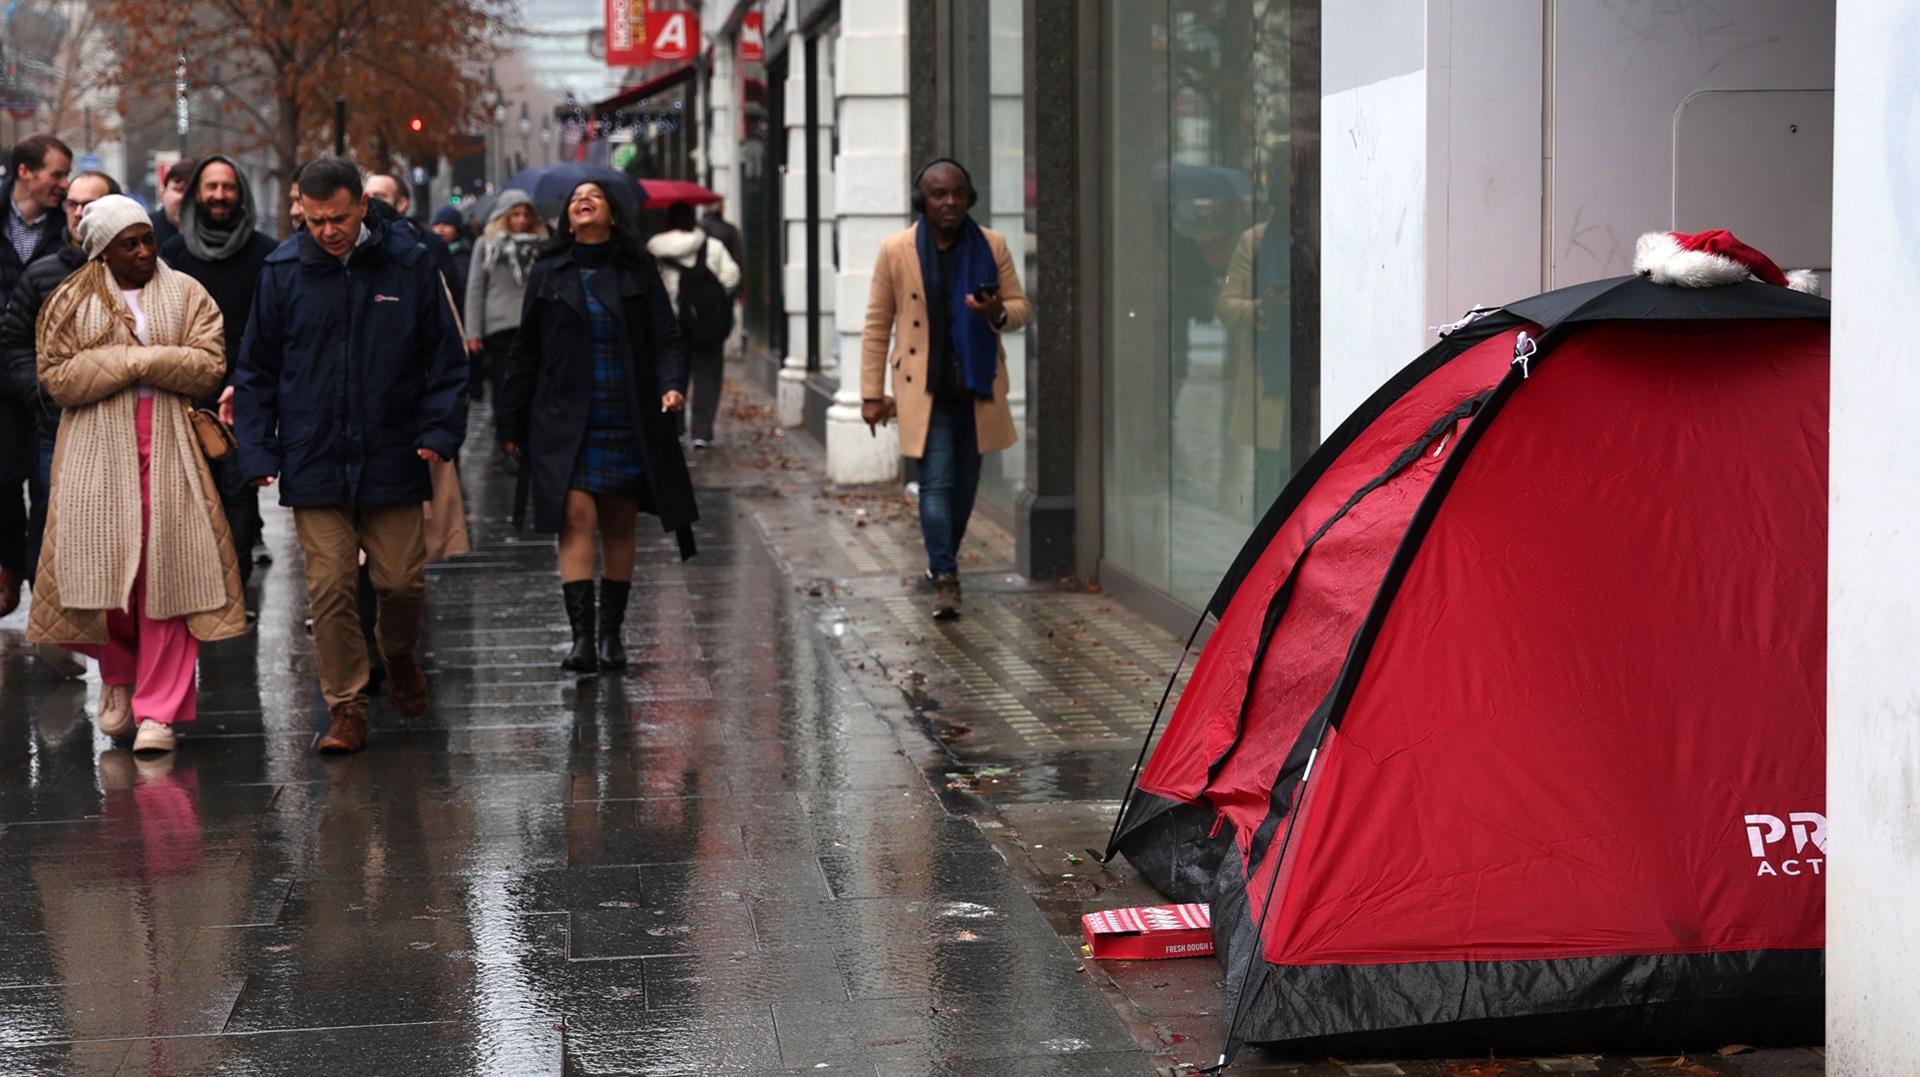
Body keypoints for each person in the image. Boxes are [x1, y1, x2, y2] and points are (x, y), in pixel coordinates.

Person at [233, 157, 467, 754]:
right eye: (314, 221)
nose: (328, 231)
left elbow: (446, 357)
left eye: (337, 218)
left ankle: (398, 650)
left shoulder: (408, 263)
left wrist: (440, 430)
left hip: (392, 449)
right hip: (313, 456)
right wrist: (258, 449)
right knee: (331, 588)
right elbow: (257, 371)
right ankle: (347, 707)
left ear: (362, 205)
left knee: (402, 582)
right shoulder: (283, 271)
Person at [27, 194, 245, 753]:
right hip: (96, 453)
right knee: (108, 574)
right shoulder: (69, 301)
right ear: (103, 251)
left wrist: (138, 361)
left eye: (148, 237)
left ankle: (159, 712)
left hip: (171, 446)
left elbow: (208, 365)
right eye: (131, 243)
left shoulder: (187, 291)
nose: (146, 250)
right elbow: (58, 378)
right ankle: (119, 677)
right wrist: (139, 360)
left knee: (168, 574)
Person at [497, 180, 697, 674]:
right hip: (564, 418)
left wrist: (672, 386)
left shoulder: (637, 269)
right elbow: (525, 351)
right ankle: (582, 639)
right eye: (574, 198)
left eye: (594, 196)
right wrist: (511, 419)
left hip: (626, 413)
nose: (581, 200)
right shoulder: (548, 272)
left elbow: (667, 339)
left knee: (620, 522)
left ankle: (612, 636)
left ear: (612, 214)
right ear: (568, 217)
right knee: (574, 518)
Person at [859, 158, 1028, 620]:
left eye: (957, 193)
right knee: (936, 481)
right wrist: (871, 393)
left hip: (977, 385)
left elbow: (1019, 308)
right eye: (938, 194)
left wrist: (995, 312)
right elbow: (877, 324)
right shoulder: (897, 250)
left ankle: (941, 563)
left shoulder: (991, 244)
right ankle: (946, 573)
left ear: (969, 197)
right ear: (923, 201)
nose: (949, 201)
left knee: (966, 486)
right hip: (923, 388)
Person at [2, 169, 119, 659]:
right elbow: (13, 342)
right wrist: (42, 392)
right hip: (56, 425)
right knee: (54, 523)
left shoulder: (140, 270)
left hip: (120, 425)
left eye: (90, 204)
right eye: (72, 203)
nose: (78, 213)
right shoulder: (44, 272)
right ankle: (57, 630)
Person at [160, 155, 278, 589]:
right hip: (185, 393)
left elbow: (271, 327)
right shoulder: (171, 254)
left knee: (238, 494)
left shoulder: (266, 254)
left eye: (228, 187)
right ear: (197, 195)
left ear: (240, 193)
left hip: (245, 391)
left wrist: (243, 382)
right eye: (211, 187)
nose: (219, 196)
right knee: (187, 498)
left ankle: (232, 588)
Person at [1, 133, 72, 618]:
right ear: (25, 172)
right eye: (56, 174)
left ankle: (44, 594)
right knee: (5, 482)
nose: (63, 186)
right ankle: (8, 573)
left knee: (49, 488)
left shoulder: (67, 231)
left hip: (52, 383)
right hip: (2, 383)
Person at [646, 201, 739, 449]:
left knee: (673, 374)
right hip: (706, 322)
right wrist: (715, 298)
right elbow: (731, 275)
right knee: (708, 375)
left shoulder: (655, 247)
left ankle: (674, 427)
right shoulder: (712, 245)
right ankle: (702, 431)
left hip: (671, 322)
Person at [463, 189, 547, 405]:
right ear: (504, 215)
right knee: (504, 385)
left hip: (532, 322)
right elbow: (475, 288)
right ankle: (506, 434)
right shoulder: (487, 244)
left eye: (526, 215)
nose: (521, 220)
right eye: (515, 214)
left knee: (532, 382)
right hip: (499, 326)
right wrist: (473, 333)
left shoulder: (541, 245)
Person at [148, 157, 196, 250]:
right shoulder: (146, 229)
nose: (185, 198)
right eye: (179, 190)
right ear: (163, 191)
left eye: (192, 192)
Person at [430, 205, 472, 301]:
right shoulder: (428, 253)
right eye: (437, 224)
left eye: (446, 224)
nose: (440, 228)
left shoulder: (464, 256)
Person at [697, 198, 744, 277]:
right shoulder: (730, 229)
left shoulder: (696, 229)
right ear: (721, 208)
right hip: (724, 277)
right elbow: (737, 258)